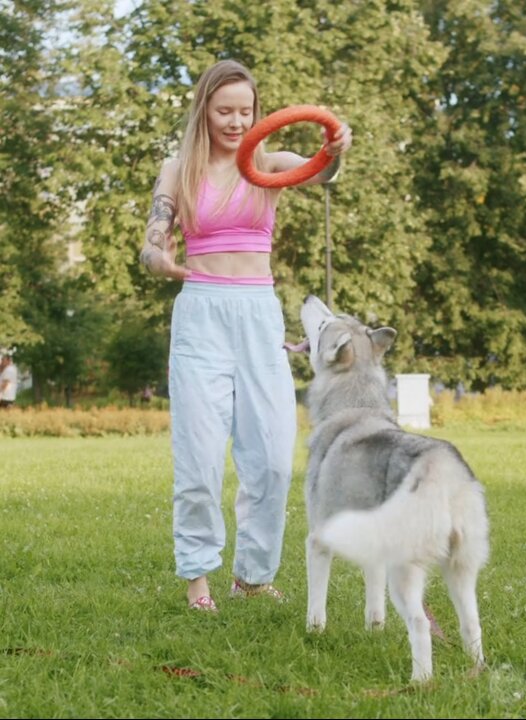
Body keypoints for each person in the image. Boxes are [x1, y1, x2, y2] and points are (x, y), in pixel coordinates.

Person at [140, 59, 352, 612]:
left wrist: (336, 148)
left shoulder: (269, 163)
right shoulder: (178, 170)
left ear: (259, 115)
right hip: (202, 315)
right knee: (200, 459)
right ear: (204, 110)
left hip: (258, 313)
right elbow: (152, 241)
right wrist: (158, 258)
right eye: (224, 111)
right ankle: (198, 580)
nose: (236, 122)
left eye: (245, 111)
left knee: (274, 459)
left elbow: (324, 171)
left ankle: (253, 576)